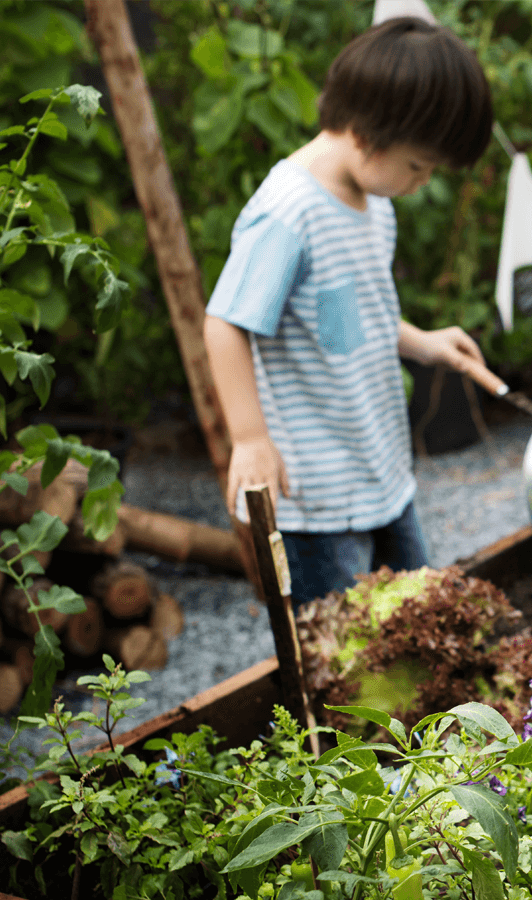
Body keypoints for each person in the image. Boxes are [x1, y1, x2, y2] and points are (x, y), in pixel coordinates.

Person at [204, 17, 494, 604]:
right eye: (418, 166)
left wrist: (424, 343)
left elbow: (345, 324)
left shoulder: (370, 201)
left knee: (414, 619)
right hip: (316, 494)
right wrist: (250, 437)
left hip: (377, 467)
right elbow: (225, 322)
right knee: (338, 656)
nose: (422, 182)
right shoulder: (289, 213)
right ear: (367, 134)